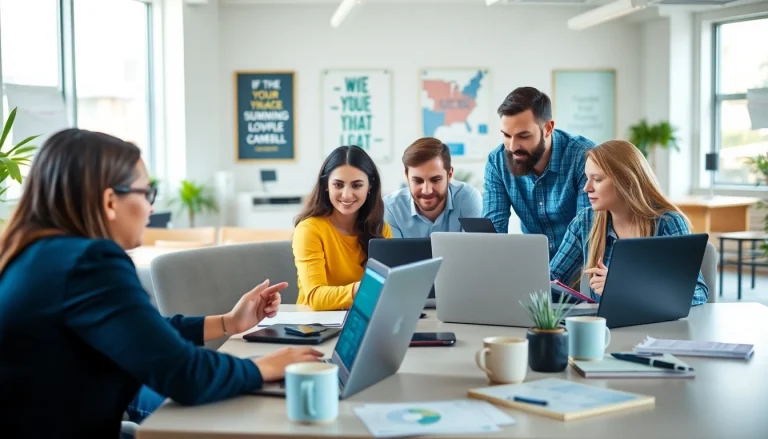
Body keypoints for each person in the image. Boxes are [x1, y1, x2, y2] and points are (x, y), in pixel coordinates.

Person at [0, 129, 323, 437]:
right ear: (110, 201)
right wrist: (265, 368)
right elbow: (183, 373)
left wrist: (228, 322)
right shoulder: (89, 262)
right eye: (146, 192)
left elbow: (139, 332)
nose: (151, 207)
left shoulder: (29, 253)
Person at [549, 139, 709, 305]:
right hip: (606, 328)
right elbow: (552, 279)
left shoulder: (668, 223)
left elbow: (697, 292)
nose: (586, 188)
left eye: (597, 179)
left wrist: (625, 288)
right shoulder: (585, 222)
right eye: (587, 178)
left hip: (655, 329)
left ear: (625, 181)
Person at [482, 86, 596, 258]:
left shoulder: (584, 156)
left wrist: (548, 279)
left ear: (548, 128)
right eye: (506, 135)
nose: (513, 147)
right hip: (533, 265)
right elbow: (493, 233)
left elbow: (585, 232)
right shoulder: (497, 162)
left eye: (524, 136)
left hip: (580, 269)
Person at [293, 145, 391, 311]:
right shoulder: (309, 230)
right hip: (315, 326)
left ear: (370, 187)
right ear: (326, 185)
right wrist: (359, 290)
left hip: (363, 320)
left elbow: (387, 291)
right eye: (338, 185)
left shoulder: (380, 229)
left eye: (357, 185)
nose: (346, 194)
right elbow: (315, 297)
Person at [384, 137, 482, 238]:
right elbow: (394, 253)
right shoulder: (391, 208)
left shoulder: (468, 198)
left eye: (435, 180)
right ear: (406, 176)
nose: (427, 191)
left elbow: (472, 251)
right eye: (418, 181)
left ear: (450, 175)